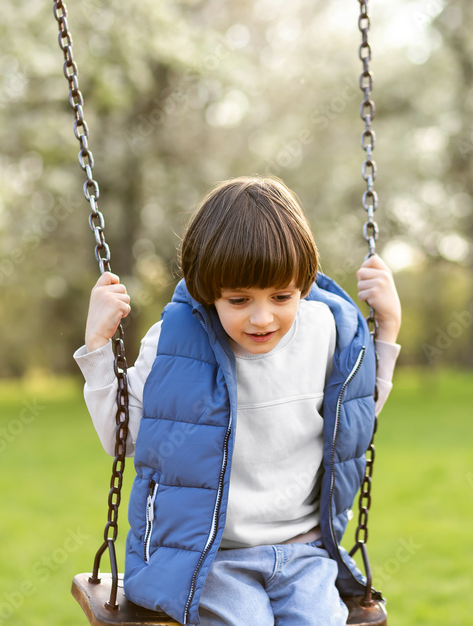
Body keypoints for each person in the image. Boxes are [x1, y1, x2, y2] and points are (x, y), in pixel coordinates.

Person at [74, 176, 401, 625]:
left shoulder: (327, 330)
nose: (262, 317)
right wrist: (97, 345)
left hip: (304, 553)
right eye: (239, 299)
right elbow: (123, 437)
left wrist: (388, 327)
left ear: (303, 286)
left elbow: (356, 415)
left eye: (281, 296)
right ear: (210, 291)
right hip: (213, 559)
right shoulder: (173, 344)